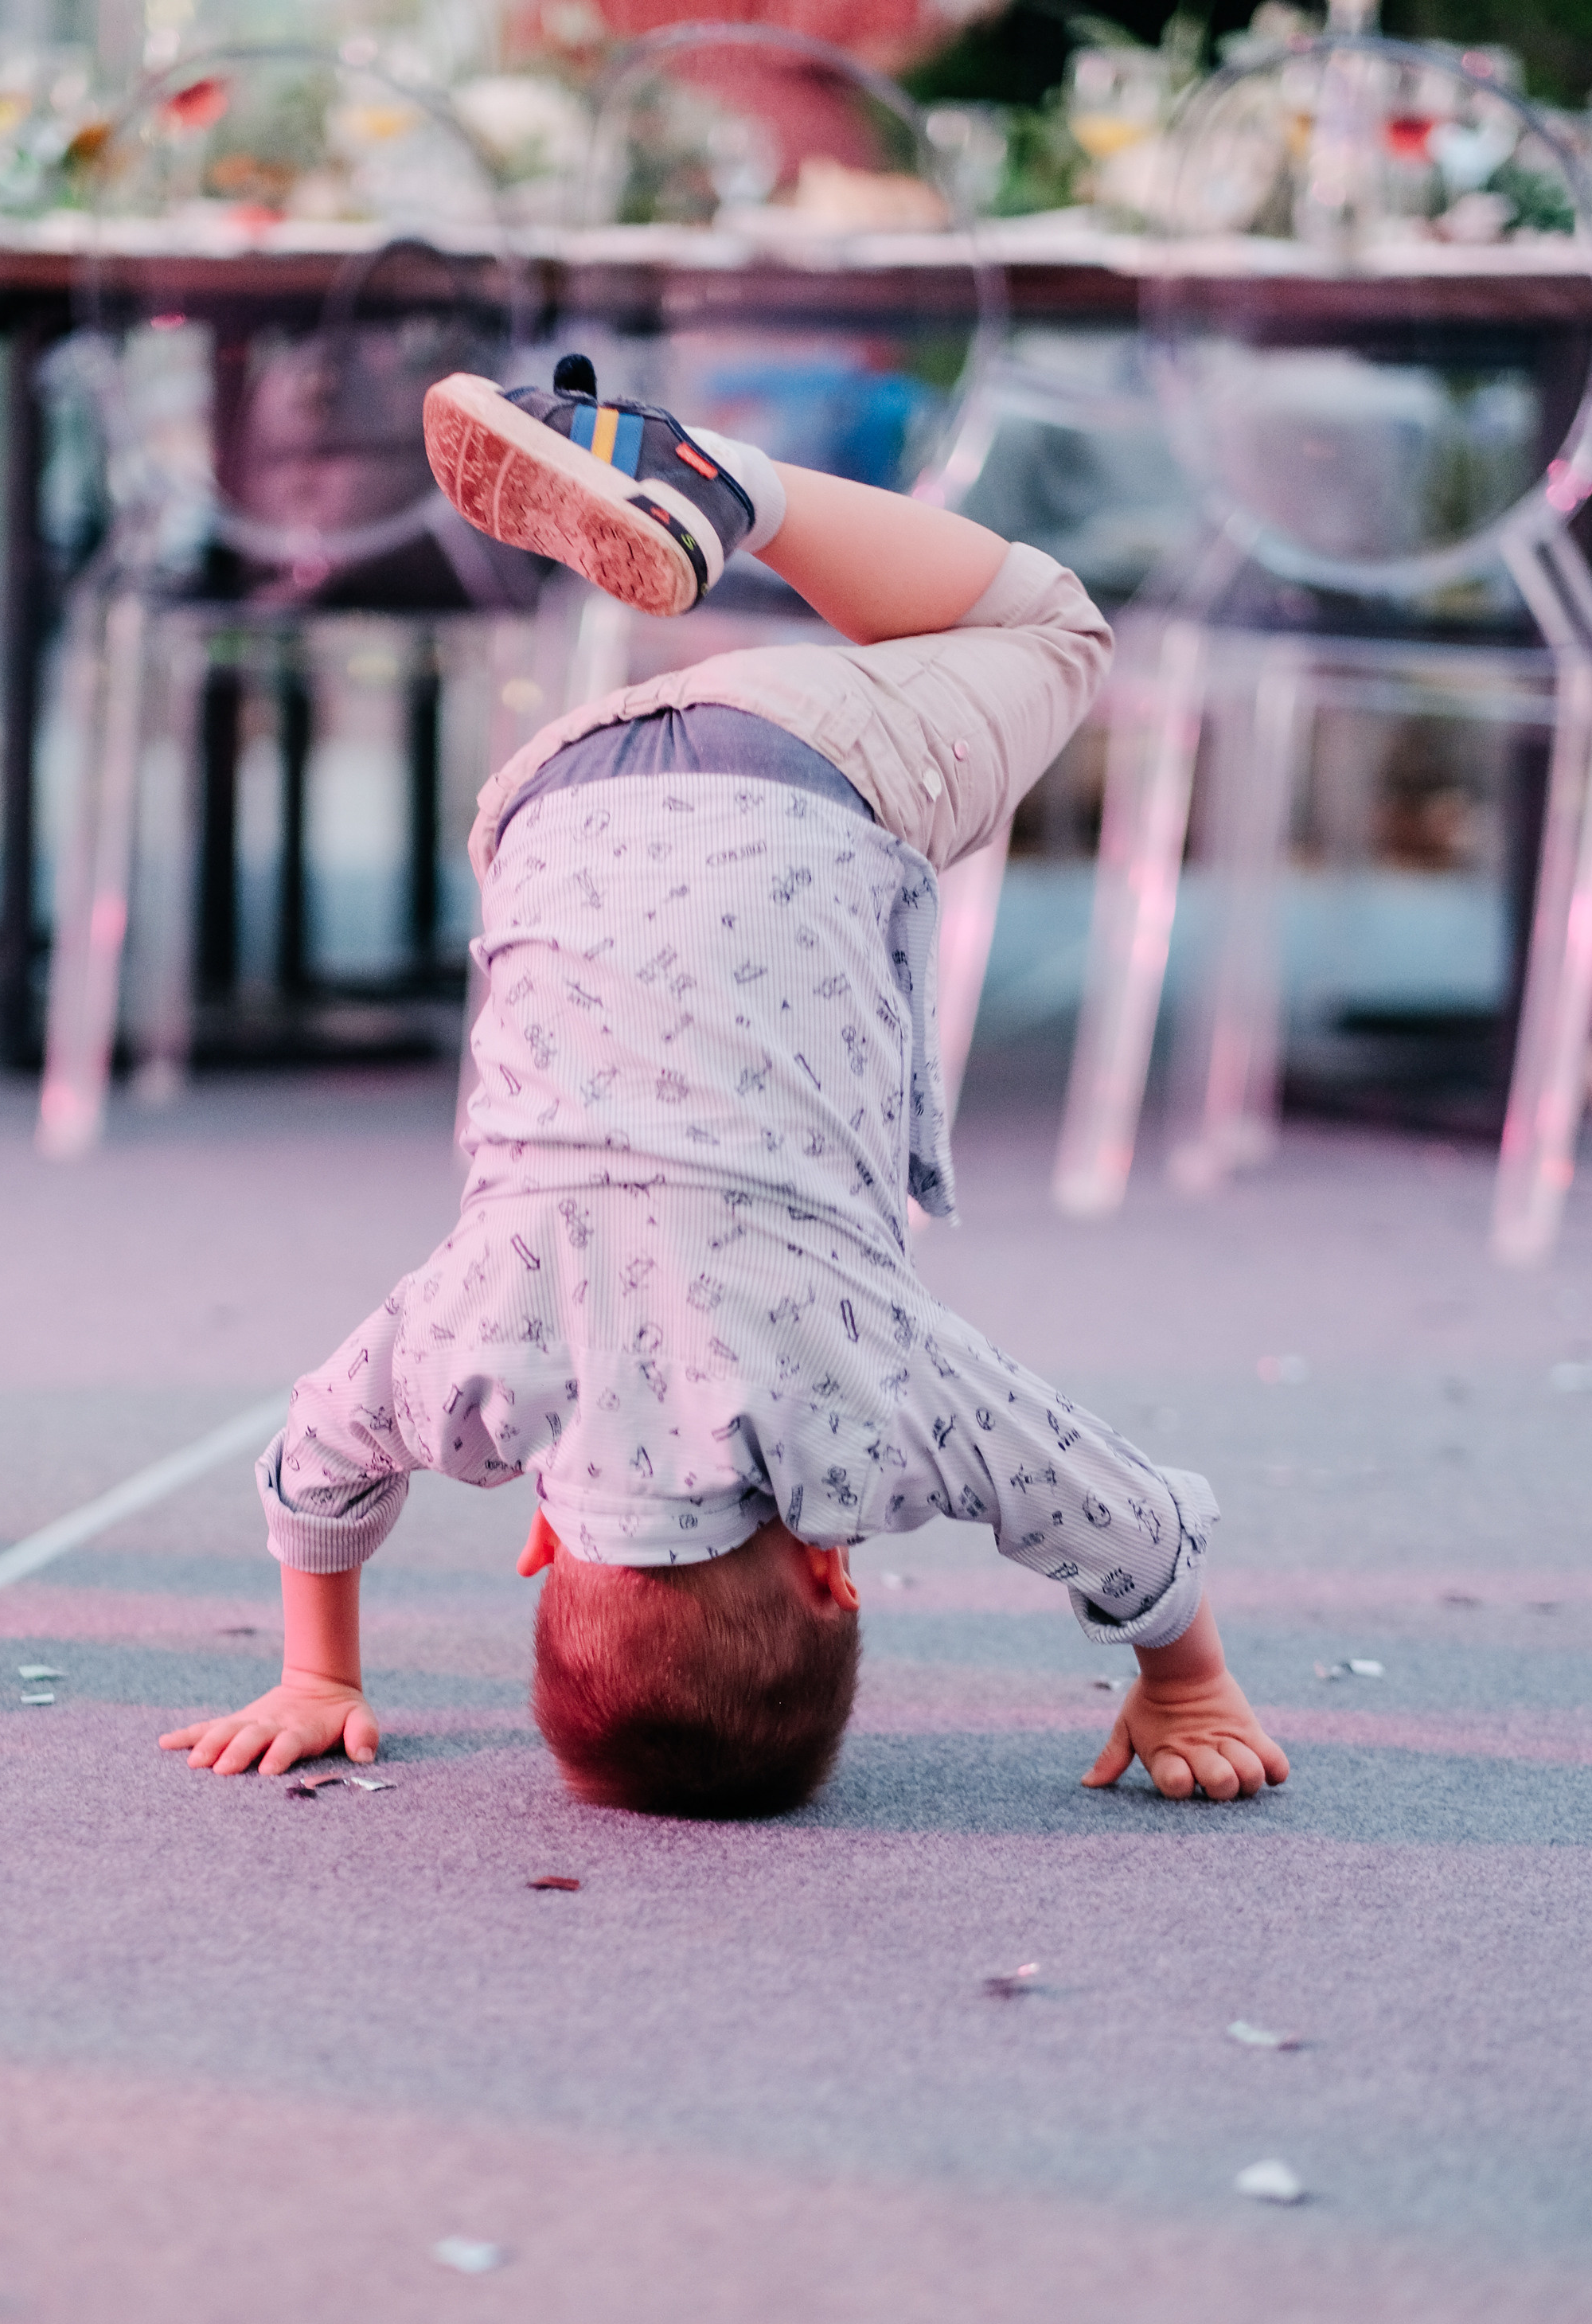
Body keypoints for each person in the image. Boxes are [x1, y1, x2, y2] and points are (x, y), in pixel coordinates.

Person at [162, 361, 1288, 1817]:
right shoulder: (488, 1348)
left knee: (1043, 627)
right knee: (922, 649)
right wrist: (317, 1676)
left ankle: (723, 487)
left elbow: (1113, 1516)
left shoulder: (860, 1381)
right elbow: (315, 1466)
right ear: (547, 1546)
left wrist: (1186, 1686)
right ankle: (651, 481)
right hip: (552, 813)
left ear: (832, 1572)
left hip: (799, 782)